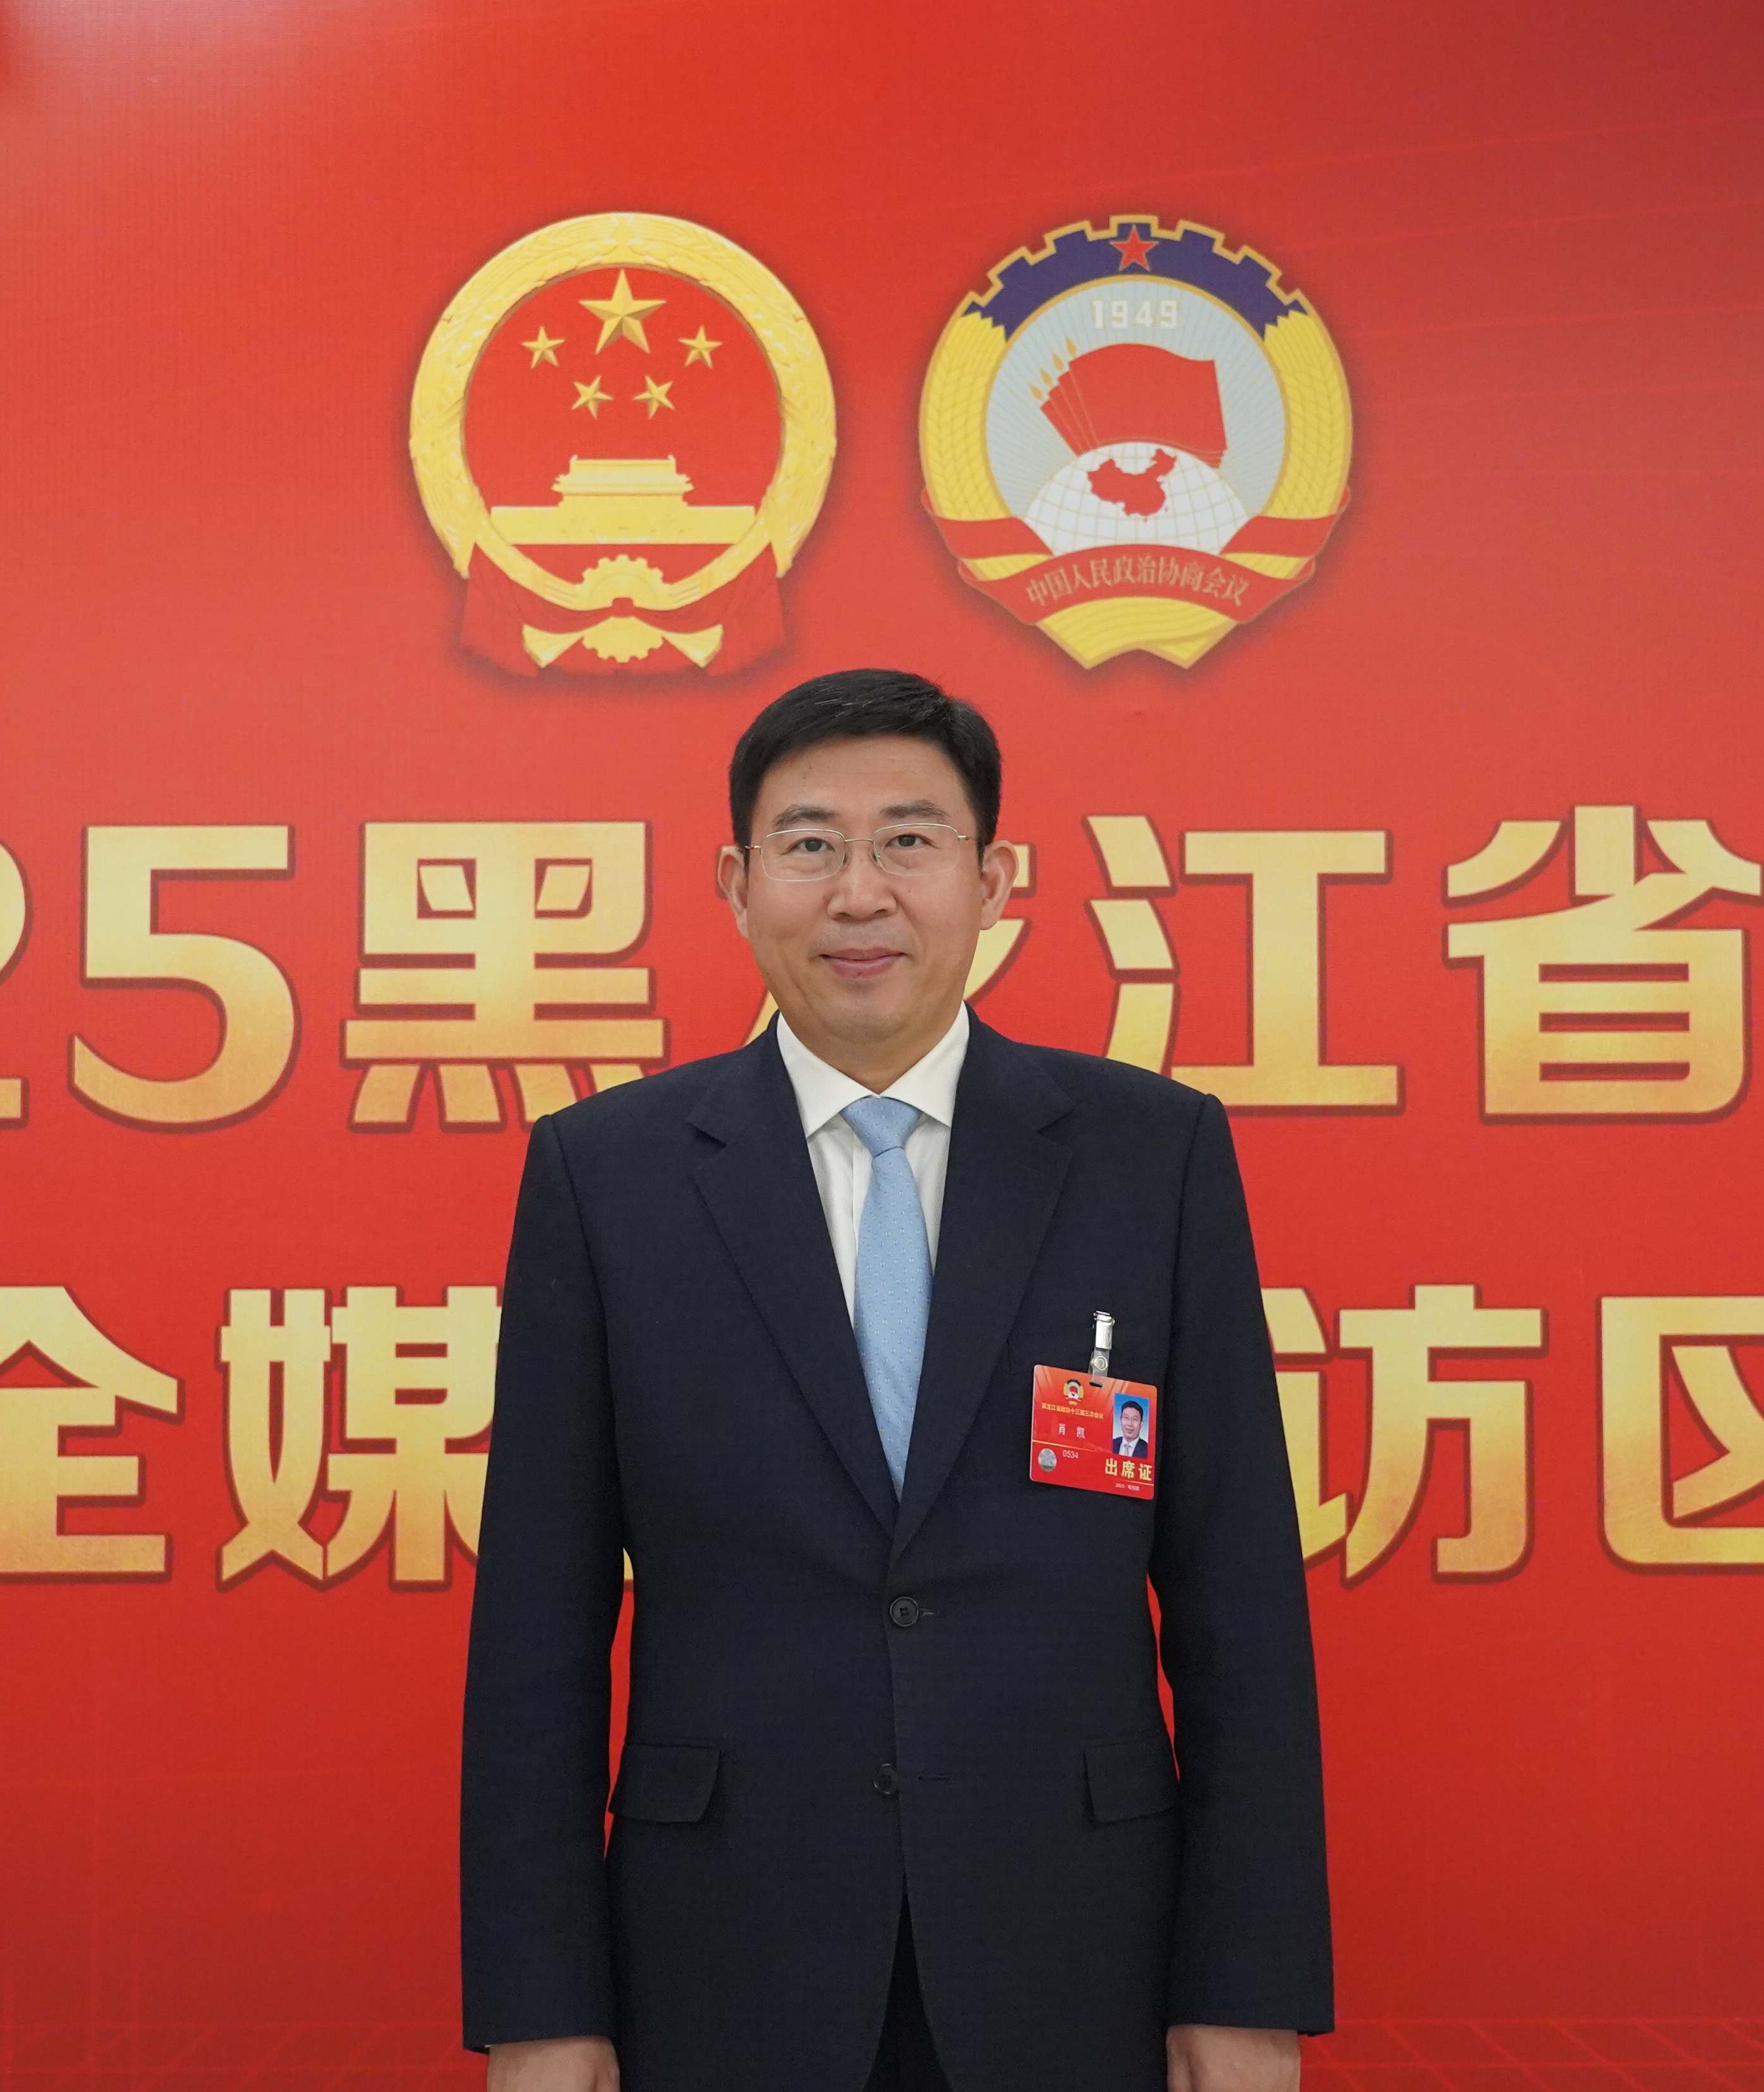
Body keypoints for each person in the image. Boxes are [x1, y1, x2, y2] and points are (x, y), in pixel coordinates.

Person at [460, 668, 1331, 2091]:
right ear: (739, 883)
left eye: (909, 841)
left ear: (993, 880)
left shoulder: (1148, 1154)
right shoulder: (608, 1175)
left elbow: (1239, 1599)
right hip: (723, 1952)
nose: (859, 892)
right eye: (810, 844)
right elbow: (536, 1630)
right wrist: (542, 2012)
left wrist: (1247, 1988)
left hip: (1078, 1949)